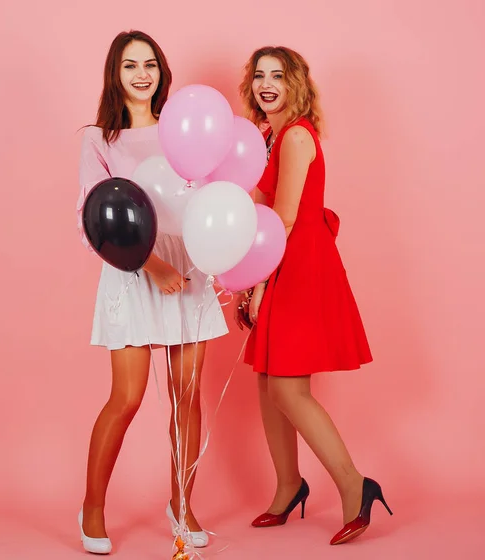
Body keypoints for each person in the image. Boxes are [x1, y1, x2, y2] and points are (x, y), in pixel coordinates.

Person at [75, 31, 228, 554]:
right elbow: (89, 221)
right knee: (128, 397)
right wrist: (153, 265)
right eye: (129, 65)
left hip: (189, 267)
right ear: (114, 75)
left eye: (150, 64)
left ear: (162, 72)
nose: (142, 74)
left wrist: (216, 255)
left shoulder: (180, 132)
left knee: (188, 397)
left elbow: (208, 200)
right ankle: (91, 506)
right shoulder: (99, 138)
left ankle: (182, 505)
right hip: (132, 268)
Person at [234, 46, 392, 545]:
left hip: (297, 263)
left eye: (277, 75)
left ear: (296, 83)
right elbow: (254, 210)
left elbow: (280, 219)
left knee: (287, 387)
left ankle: (354, 484)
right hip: (279, 260)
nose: (266, 83)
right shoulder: (268, 135)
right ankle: (288, 486)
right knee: (266, 381)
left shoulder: (296, 136)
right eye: (259, 75)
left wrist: (257, 285)